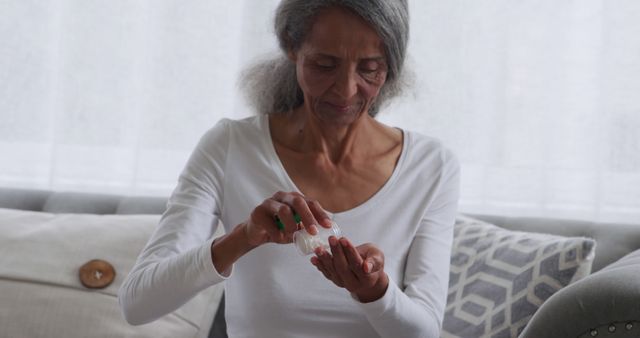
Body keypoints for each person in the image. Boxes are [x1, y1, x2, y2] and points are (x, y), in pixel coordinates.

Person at [118, 1, 460, 337]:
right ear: (291, 45)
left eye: (370, 68)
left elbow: (424, 332)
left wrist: (375, 291)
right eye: (325, 64)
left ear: (391, 66)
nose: (346, 90)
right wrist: (243, 237)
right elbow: (138, 304)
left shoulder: (430, 166)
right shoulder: (230, 147)